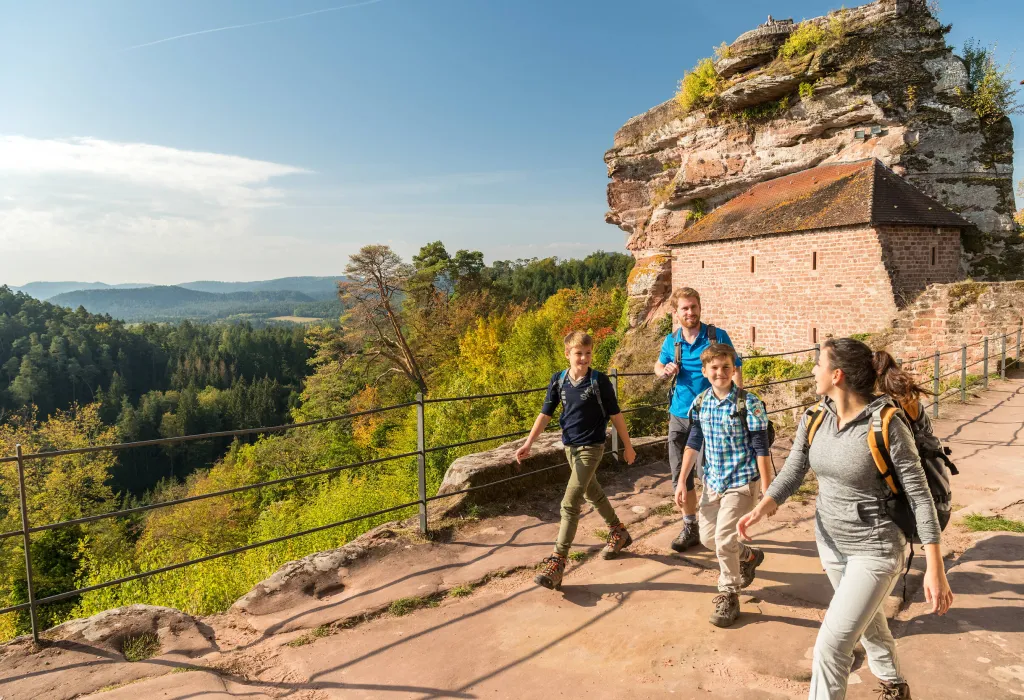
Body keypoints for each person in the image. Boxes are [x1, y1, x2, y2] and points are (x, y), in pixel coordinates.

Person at [738, 338, 954, 700]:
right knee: (867, 623)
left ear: (837, 375)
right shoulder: (816, 416)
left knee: (831, 648)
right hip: (831, 542)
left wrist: (936, 567)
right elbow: (793, 471)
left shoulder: (887, 424)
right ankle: (895, 685)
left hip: (877, 548)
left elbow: (919, 497)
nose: (812, 370)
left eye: (818, 364)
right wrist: (763, 507)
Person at [516, 331, 637, 590]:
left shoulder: (599, 381)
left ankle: (558, 561)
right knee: (593, 493)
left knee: (570, 502)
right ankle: (619, 532)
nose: (583, 358)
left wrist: (628, 446)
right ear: (567, 354)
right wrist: (528, 443)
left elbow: (616, 415)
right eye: (578, 353)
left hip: (592, 448)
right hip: (569, 448)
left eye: (588, 353)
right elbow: (545, 414)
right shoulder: (559, 380)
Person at [674, 343, 772, 627]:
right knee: (707, 539)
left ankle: (729, 593)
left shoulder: (748, 403)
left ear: (733, 370)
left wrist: (768, 490)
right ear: (705, 372)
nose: (720, 373)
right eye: (714, 368)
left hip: (741, 482)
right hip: (713, 483)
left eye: (725, 367)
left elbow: (761, 448)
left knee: (724, 540)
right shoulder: (701, 403)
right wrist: (682, 481)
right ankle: (750, 556)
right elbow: (693, 443)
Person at [654, 287, 743, 553]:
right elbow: (658, 366)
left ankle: (716, 526)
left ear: (699, 307)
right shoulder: (673, 341)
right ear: (676, 312)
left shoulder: (716, 337)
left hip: (712, 416)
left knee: (711, 473)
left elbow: (735, 368)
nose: (690, 312)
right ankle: (690, 525)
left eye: (693, 307)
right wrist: (665, 370)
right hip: (680, 415)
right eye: (685, 308)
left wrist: (737, 403)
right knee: (680, 475)